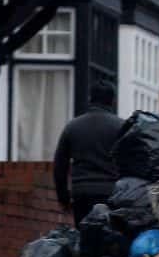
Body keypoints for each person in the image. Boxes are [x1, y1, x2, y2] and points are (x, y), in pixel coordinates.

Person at [53, 80, 124, 227]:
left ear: (90, 99)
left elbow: (60, 166)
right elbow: (132, 160)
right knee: (110, 238)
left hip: (82, 193)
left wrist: (63, 198)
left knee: (84, 237)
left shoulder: (73, 126)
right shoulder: (122, 127)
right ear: (113, 101)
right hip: (111, 193)